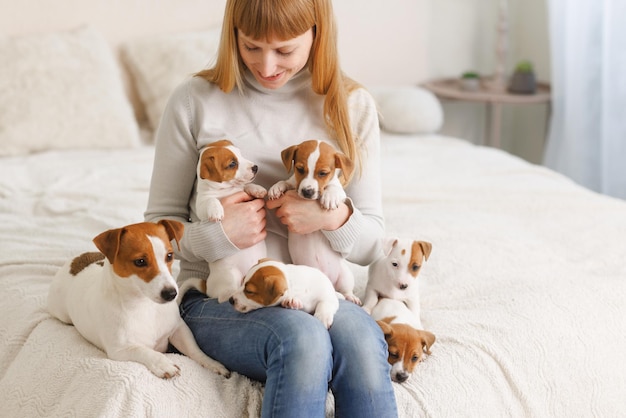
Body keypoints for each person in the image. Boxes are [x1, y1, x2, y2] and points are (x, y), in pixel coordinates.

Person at [144, 0, 398, 416]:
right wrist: (220, 236)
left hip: (316, 290)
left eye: (285, 51)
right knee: (302, 339)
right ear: (234, 37)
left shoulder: (351, 105)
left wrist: (330, 217)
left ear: (317, 34)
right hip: (221, 295)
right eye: (251, 47)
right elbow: (157, 226)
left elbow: (373, 245)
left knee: (362, 346)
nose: (266, 66)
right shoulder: (194, 100)